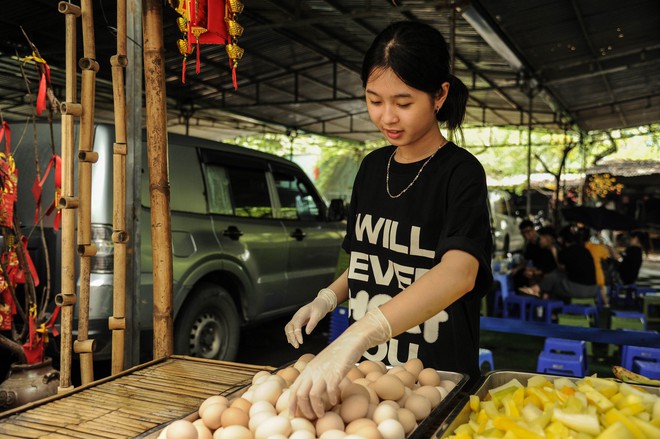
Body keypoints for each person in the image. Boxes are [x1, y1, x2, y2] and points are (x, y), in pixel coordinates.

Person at [283, 20, 493, 419]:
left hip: (433, 378)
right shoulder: (371, 167)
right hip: (366, 374)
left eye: (403, 102)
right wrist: (326, 298)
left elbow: (460, 272)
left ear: (439, 95)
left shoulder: (460, 172)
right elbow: (368, 261)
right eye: (374, 100)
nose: (387, 117)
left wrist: (356, 335)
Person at [520, 226, 598, 302]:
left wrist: (554, 252)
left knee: (554, 281)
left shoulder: (566, 251)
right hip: (594, 289)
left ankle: (549, 308)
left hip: (580, 290)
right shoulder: (584, 250)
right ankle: (537, 291)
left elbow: (560, 267)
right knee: (555, 277)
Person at [511, 220, 557, 290]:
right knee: (519, 275)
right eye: (523, 233)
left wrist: (535, 272)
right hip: (539, 270)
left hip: (547, 273)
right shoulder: (529, 246)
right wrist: (518, 269)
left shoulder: (545, 245)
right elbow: (526, 260)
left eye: (528, 231)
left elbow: (550, 266)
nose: (526, 235)